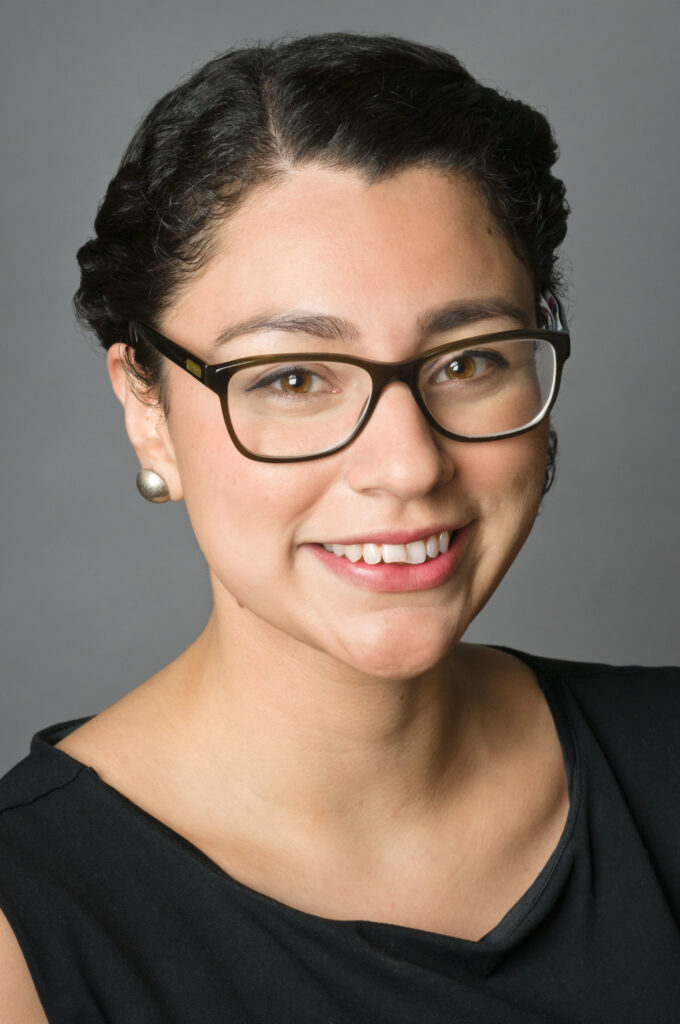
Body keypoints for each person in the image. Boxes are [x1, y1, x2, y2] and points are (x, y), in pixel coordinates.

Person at [0, 31, 678, 1024]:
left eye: (469, 359)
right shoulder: (25, 932)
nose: (407, 464)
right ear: (148, 409)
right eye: (290, 378)